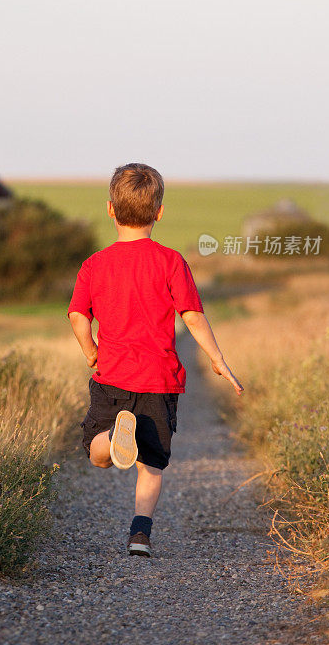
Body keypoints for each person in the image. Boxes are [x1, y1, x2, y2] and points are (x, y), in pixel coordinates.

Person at [68, 163, 244, 557]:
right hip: (159, 380)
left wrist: (91, 350)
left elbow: (79, 315)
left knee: (96, 453)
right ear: (159, 212)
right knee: (151, 463)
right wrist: (217, 358)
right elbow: (192, 317)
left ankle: (113, 438)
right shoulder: (170, 261)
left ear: (110, 209)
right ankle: (140, 536)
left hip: (112, 376)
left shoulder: (95, 264)